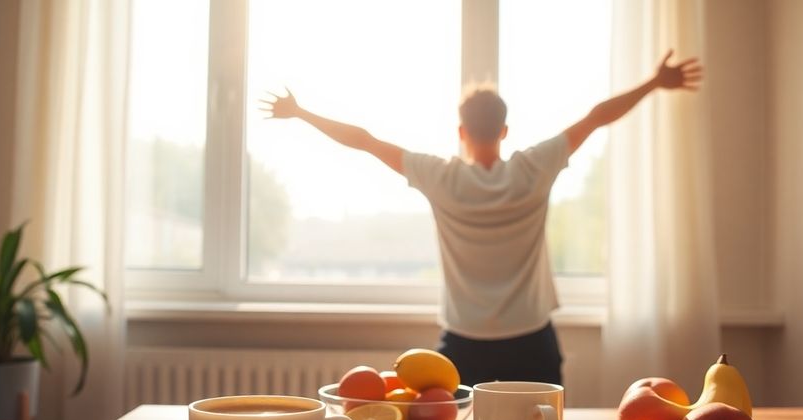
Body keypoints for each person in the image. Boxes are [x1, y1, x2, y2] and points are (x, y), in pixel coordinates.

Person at [260, 50, 702, 387]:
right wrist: (654, 82)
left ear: (461, 132)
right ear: (504, 130)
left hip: (464, 344)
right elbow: (597, 117)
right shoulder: (533, 168)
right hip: (532, 340)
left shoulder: (441, 177)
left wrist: (301, 113)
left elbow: (365, 141)